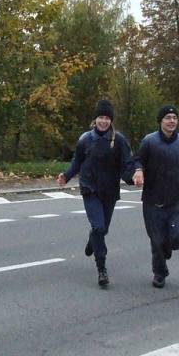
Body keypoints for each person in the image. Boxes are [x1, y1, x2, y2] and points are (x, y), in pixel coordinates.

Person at [56, 99, 134, 287]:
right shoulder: (85, 139)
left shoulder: (119, 141)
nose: (103, 121)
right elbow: (77, 162)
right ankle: (102, 269)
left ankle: (93, 240)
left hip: (110, 191)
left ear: (111, 121)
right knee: (99, 227)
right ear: (95, 119)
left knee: (102, 229)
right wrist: (66, 176)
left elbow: (126, 165)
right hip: (90, 189)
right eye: (100, 117)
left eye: (107, 118)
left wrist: (132, 178)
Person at [132, 105, 179, 289]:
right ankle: (159, 273)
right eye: (168, 117)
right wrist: (138, 171)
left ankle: (167, 247)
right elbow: (137, 159)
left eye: (175, 117)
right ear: (161, 121)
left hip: (174, 200)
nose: (172, 121)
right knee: (156, 241)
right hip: (152, 201)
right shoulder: (149, 141)